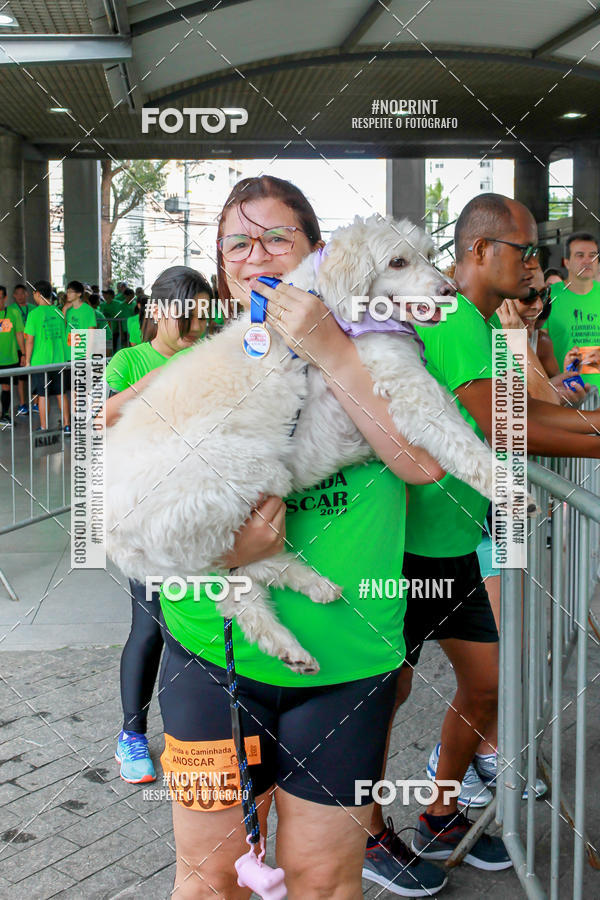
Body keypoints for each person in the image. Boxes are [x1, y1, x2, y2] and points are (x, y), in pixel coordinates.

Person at [156, 175, 448, 899]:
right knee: (210, 877)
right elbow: (139, 522)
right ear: (223, 265)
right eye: (238, 242)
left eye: (278, 237)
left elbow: (418, 462)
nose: (258, 254)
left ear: (317, 252)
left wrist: (330, 347)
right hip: (211, 657)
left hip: (345, 664)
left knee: (324, 880)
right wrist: (232, 554)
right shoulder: (190, 369)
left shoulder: (389, 344)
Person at [372, 194, 600, 874]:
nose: (535, 264)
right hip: (407, 550)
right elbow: (507, 427)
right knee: (390, 694)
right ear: (478, 251)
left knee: (489, 684)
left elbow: (517, 409)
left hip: (453, 542)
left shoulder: (473, 321)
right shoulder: (450, 317)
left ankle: (440, 813)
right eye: (523, 250)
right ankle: (365, 831)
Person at [105, 266, 212, 784]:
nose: (198, 325)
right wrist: (155, 383)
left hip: (199, 516)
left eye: (205, 315)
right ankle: (131, 734)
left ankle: (187, 737)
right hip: (145, 515)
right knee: (150, 625)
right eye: (190, 314)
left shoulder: (209, 357)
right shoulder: (130, 361)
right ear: (161, 310)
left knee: (187, 630)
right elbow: (99, 419)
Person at [545, 232, 600, 391]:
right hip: (563, 394)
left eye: (593, 255)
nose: (588, 261)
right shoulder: (549, 296)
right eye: (580, 255)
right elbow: (536, 347)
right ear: (566, 262)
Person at [24, 280, 70, 432]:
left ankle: (44, 427)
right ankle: (66, 425)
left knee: (42, 395)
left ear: (37, 293)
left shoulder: (34, 314)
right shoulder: (58, 312)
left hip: (41, 361)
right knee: (60, 393)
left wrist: (28, 361)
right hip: (59, 360)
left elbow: (29, 340)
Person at [0, 284, 25, 425]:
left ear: (5, 298)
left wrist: (23, 354)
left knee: (6, 387)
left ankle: (4, 414)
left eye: (0, 298)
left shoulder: (13, 313)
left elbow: (20, 334)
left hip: (9, 358)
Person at [10, 284, 36, 415]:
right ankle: (22, 403)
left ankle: (36, 403)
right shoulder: (10, 310)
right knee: (21, 378)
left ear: (27, 294)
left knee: (36, 375)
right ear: (14, 295)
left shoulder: (33, 309)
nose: (20, 296)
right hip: (18, 348)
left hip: (33, 346)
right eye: (17, 293)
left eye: (22, 293)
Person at [62, 280, 97, 350]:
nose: (68, 294)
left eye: (70, 292)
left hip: (82, 350)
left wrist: (89, 352)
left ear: (79, 294)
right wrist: (64, 309)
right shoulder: (67, 309)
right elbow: (62, 327)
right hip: (68, 350)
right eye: (67, 291)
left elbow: (92, 333)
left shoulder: (88, 310)